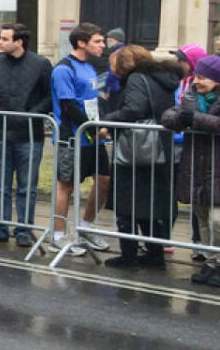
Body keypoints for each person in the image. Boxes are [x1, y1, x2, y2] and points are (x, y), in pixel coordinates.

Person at [104, 45, 181, 269]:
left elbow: (134, 109)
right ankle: (155, 255)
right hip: (158, 150)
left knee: (127, 204)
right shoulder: (163, 78)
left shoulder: (136, 78)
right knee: (149, 206)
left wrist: (108, 120)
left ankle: (128, 256)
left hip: (135, 152)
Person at [0, 23, 52, 248]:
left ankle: (24, 230)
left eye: (4, 39)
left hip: (30, 135)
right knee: (0, 185)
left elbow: (49, 96)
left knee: (27, 186)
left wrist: (31, 115)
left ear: (19, 42)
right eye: (0, 38)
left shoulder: (40, 64)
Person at [50, 23, 113, 253]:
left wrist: (101, 125)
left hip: (93, 136)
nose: (103, 45)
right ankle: (58, 236)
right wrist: (93, 128)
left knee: (104, 180)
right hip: (72, 136)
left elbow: (93, 102)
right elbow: (68, 106)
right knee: (66, 185)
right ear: (81, 42)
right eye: (98, 41)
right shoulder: (63, 69)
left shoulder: (90, 67)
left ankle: (85, 228)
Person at [162, 54, 220, 286]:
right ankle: (211, 262)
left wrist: (193, 118)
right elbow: (168, 116)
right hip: (196, 167)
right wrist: (181, 118)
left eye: (203, 78)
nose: (197, 81)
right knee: (203, 219)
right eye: (196, 76)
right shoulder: (190, 95)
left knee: (218, 220)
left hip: (217, 167)